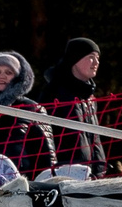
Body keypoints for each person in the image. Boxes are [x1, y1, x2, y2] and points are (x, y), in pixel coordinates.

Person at [40, 38, 109, 169]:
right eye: (90, 57)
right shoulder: (54, 92)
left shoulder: (89, 96)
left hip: (91, 174)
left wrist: (100, 167)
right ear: (75, 59)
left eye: (97, 58)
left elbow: (94, 138)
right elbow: (44, 136)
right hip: (65, 173)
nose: (96, 62)